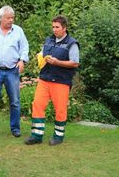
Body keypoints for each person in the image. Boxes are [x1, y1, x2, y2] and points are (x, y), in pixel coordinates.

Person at [24, 15, 80, 146]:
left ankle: (58, 137)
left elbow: (75, 63)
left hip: (61, 81)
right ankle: (36, 135)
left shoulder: (72, 43)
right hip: (44, 79)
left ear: (64, 28)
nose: (54, 30)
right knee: (37, 104)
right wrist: (40, 57)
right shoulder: (48, 40)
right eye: (53, 27)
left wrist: (57, 62)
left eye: (57, 27)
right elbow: (42, 53)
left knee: (60, 109)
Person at [0, 5, 29, 137]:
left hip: (12, 71)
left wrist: (22, 60)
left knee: (14, 101)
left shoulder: (18, 31)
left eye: (12, 18)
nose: (11, 20)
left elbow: (24, 47)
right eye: (8, 18)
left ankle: (15, 128)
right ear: (1, 18)